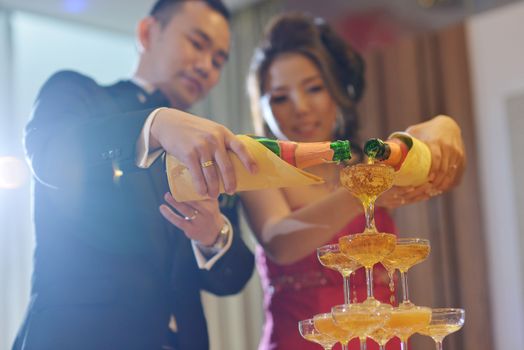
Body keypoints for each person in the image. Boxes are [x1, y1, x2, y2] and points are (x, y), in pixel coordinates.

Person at [13, 1, 258, 349]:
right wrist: (153, 124)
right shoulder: (77, 93)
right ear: (147, 32)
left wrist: (214, 236)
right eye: (197, 43)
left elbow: (231, 280)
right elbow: (51, 156)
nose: (206, 66)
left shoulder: (209, 150)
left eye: (218, 60)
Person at [242, 13, 465, 350]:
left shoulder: (372, 162)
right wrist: (367, 188)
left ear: (337, 92)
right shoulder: (257, 170)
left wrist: (446, 126)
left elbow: (443, 171)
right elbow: (279, 243)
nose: (301, 108)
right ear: (262, 108)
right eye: (280, 97)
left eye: (314, 88)